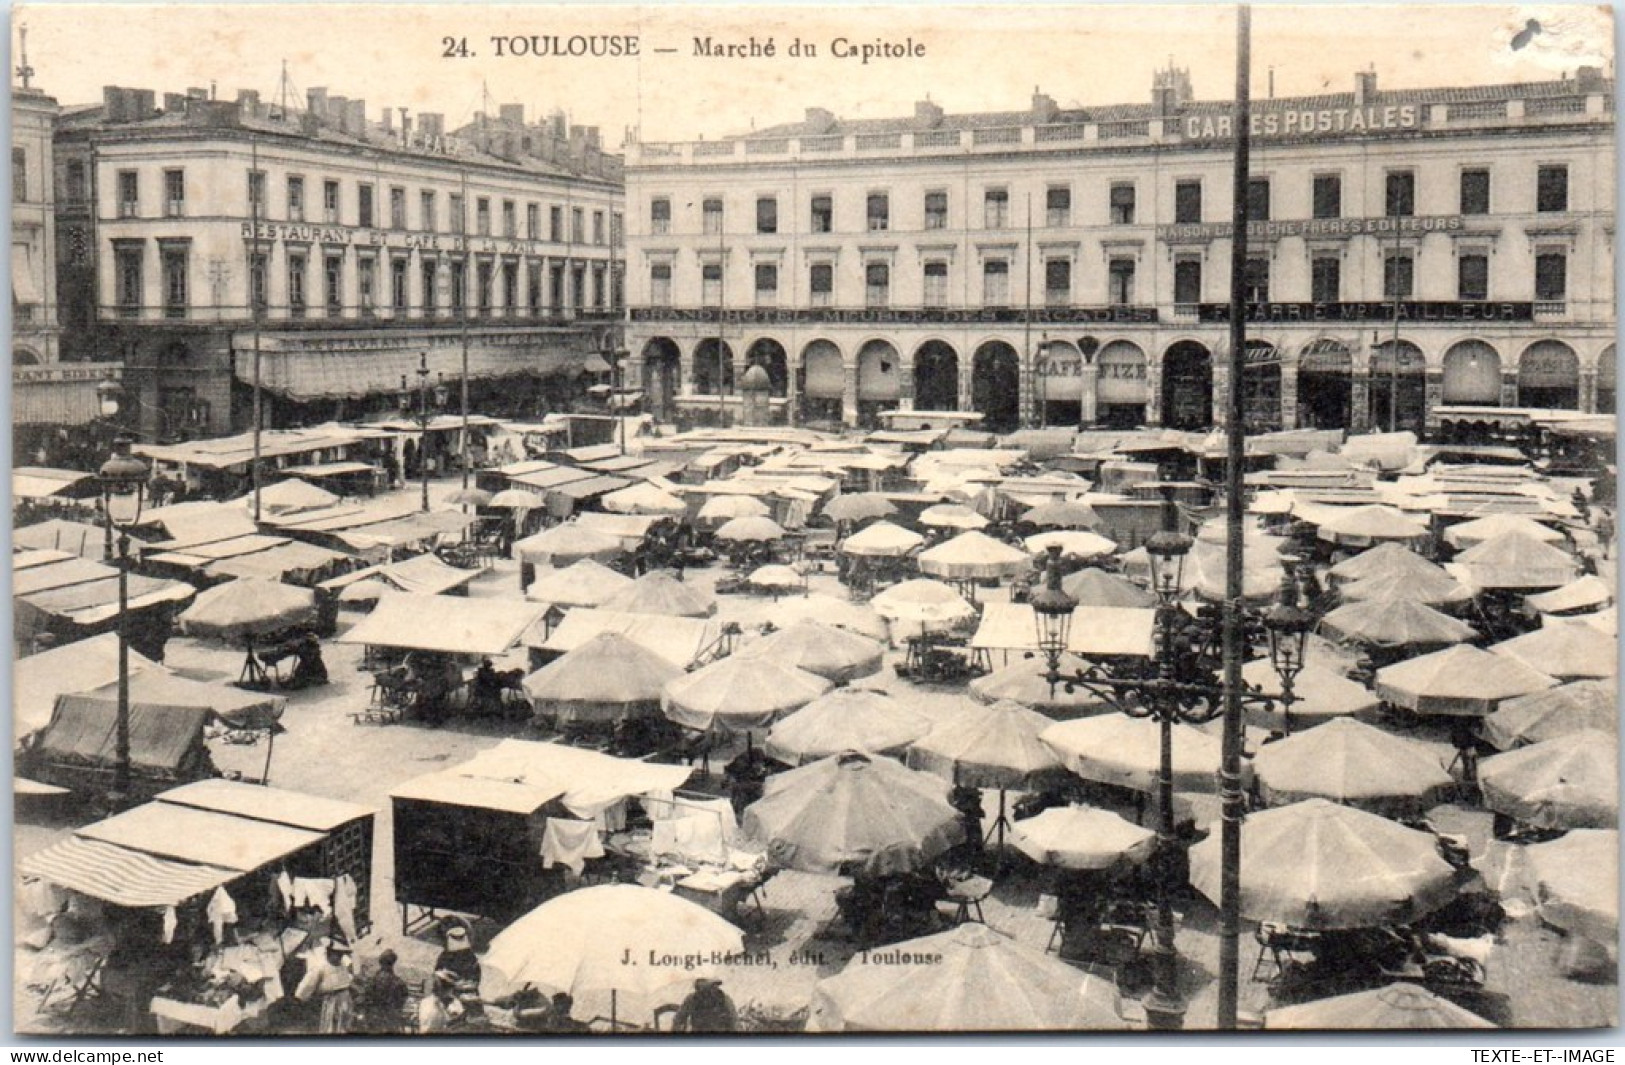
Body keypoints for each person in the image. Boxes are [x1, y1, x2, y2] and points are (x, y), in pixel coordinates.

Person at [294, 937, 356, 1034]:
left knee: (344, 1025)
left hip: (344, 999)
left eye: (341, 955)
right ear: (329, 952)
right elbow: (308, 984)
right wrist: (301, 997)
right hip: (330, 1001)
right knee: (330, 1027)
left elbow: (347, 980)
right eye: (337, 954)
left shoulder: (342, 965)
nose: (339, 957)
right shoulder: (320, 967)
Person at [358, 949, 409, 1034]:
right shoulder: (399, 983)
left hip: (374, 1020)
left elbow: (365, 999)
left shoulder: (372, 980)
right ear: (393, 963)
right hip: (391, 1021)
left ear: (380, 962)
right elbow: (403, 998)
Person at [672, 977, 738, 1033]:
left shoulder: (724, 999)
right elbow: (679, 1018)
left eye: (714, 986)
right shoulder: (692, 998)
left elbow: (734, 1021)